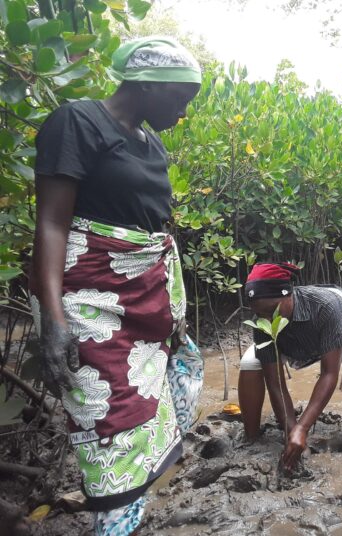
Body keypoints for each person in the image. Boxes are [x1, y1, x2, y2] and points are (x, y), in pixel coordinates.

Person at [30, 37, 202, 535]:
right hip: (92, 303)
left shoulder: (152, 144)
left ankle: (127, 514)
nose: (184, 111)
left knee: (163, 399)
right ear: (147, 85)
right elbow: (53, 225)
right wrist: (54, 318)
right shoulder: (79, 122)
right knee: (111, 420)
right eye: (181, 98)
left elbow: (150, 225)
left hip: (148, 300)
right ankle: (114, 522)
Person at [238, 263, 342, 471]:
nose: (268, 320)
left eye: (272, 312)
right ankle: (251, 437)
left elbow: (329, 374)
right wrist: (292, 432)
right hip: (293, 338)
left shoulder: (328, 307)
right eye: (261, 315)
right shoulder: (263, 322)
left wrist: (302, 428)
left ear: (289, 295)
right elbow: (275, 384)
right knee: (249, 363)